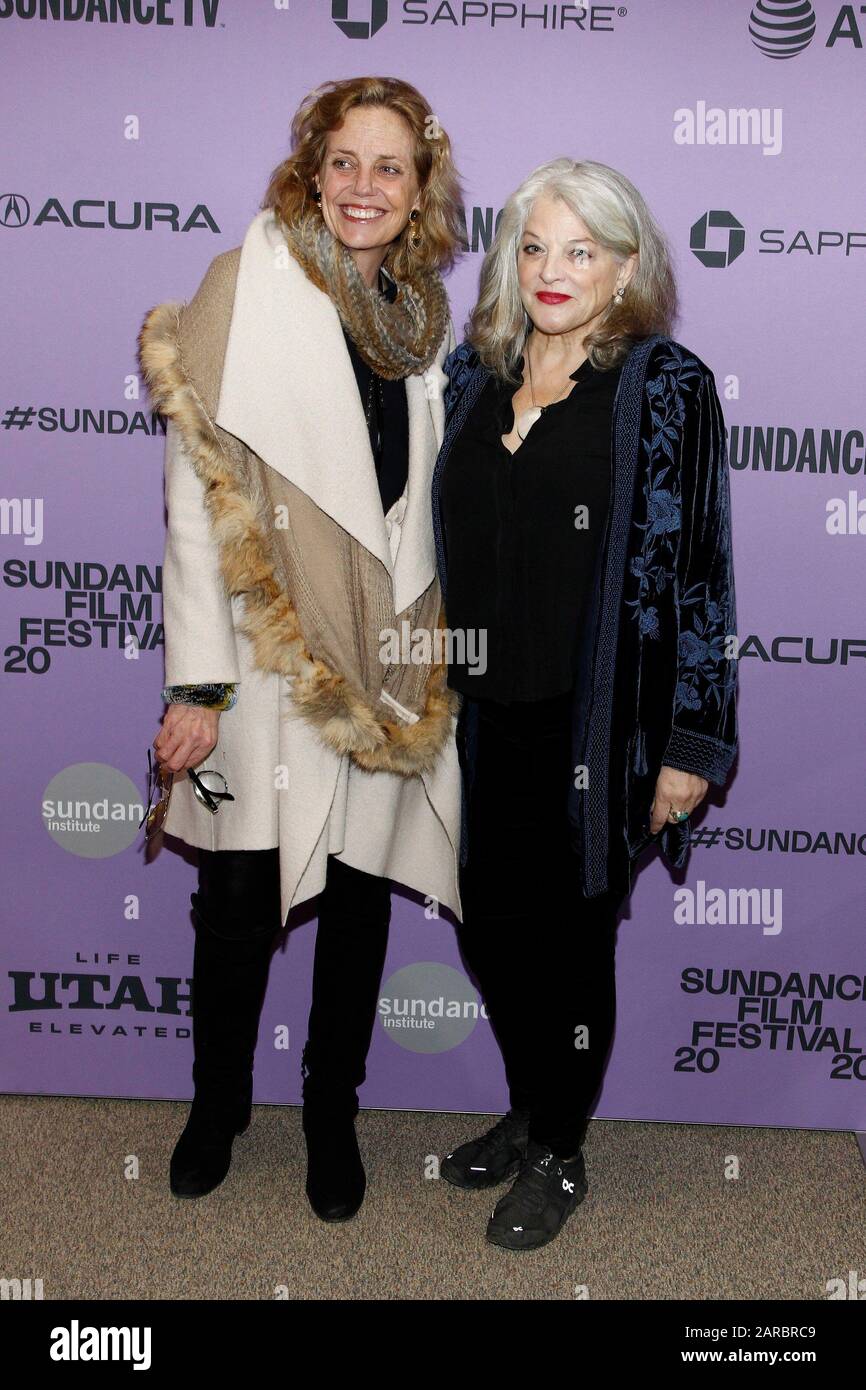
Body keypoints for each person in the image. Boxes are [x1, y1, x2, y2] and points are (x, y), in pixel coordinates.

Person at [137, 76, 464, 1221]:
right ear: (309, 171)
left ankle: (332, 1112)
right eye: (342, 161)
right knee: (235, 904)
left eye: (389, 167)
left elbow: (417, 510)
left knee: (360, 900)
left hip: (376, 666)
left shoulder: (419, 318)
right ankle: (214, 1104)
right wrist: (198, 682)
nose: (362, 186)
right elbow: (198, 495)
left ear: (419, 189)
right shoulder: (245, 285)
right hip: (268, 660)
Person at [431, 158, 738, 1251]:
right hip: (475, 722)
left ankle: (558, 1151)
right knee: (494, 932)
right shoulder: (471, 378)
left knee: (567, 950)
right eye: (532, 246)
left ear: (623, 269)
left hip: (597, 726)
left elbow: (698, 570)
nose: (552, 270)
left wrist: (688, 741)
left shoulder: (664, 386)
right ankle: (530, 1107)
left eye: (581, 250)